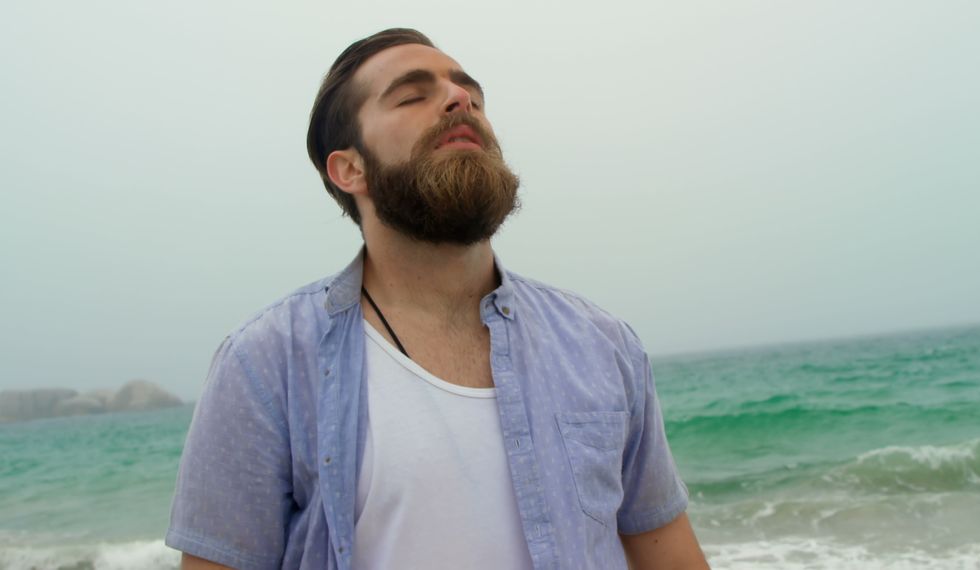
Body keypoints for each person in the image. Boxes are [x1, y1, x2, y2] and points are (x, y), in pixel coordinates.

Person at [167, 28, 709, 570]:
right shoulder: (266, 363)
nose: (459, 99)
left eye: (470, 93)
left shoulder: (602, 345)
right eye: (412, 96)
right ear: (350, 169)